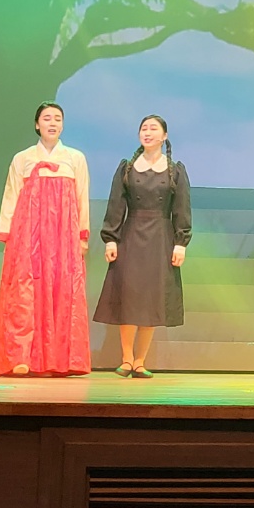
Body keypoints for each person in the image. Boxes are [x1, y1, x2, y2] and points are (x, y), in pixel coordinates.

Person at [0, 101, 91, 377]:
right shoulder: (22, 158)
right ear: (37, 124)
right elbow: (11, 196)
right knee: (25, 290)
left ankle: (60, 360)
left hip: (63, 236)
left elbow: (82, 198)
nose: (52, 123)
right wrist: (8, 235)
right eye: (47, 118)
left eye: (57, 118)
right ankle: (22, 357)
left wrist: (82, 236)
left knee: (62, 289)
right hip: (28, 235)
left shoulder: (75, 158)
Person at [93, 114, 192, 378]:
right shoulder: (127, 168)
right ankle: (126, 359)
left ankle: (140, 361)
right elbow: (116, 205)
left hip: (161, 238)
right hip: (131, 235)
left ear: (164, 136)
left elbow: (182, 209)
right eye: (144, 128)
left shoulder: (175, 170)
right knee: (129, 295)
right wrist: (111, 238)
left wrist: (180, 243)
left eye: (153, 129)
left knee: (151, 298)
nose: (148, 132)